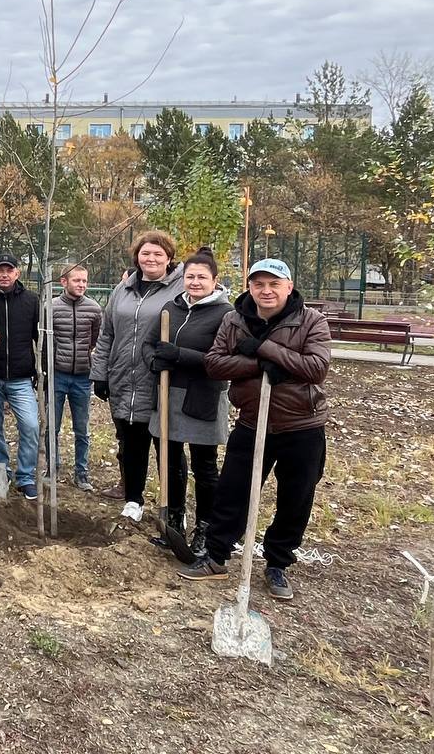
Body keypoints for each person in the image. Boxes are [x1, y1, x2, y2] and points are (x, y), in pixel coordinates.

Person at [179, 259, 331, 601]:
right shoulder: (235, 321)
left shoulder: (311, 321)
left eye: (274, 284)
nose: (266, 290)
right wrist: (258, 364)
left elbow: (316, 368)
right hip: (251, 420)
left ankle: (277, 562)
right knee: (233, 492)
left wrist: (265, 349)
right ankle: (216, 557)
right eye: (259, 283)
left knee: (296, 498)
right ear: (249, 287)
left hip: (301, 425)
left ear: (288, 287)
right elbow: (215, 363)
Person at [141, 248, 233, 555]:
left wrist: (180, 356)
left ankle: (205, 528)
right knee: (169, 461)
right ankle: (174, 523)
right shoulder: (171, 308)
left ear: (214, 280)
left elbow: (224, 361)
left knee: (204, 466)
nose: (195, 282)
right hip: (168, 395)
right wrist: (154, 361)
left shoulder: (225, 314)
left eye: (202, 277)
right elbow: (150, 344)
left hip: (202, 398)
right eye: (190, 276)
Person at [90, 231, 184, 523]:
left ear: (169, 258)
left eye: (158, 254)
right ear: (137, 257)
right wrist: (100, 373)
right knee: (131, 444)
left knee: (168, 447)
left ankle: (174, 509)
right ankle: (133, 499)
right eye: (146, 253)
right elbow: (107, 333)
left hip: (160, 381)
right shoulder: (124, 289)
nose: (151, 259)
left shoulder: (180, 289)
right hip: (123, 379)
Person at [0, 254, 42, 500]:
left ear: (17, 273)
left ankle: (26, 476)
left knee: (30, 425)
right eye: (1, 270)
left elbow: (38, 337)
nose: (5, 274)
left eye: (10, 270)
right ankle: (0, 472)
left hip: (20, 377)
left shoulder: (31, 301)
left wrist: (40, 369)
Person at [47, 263, 103, 492]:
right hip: (58, 375)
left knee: (82, 428)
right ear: (64, 282)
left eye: (84, 281)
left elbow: (95, 340)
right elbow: (46, 344)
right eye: (77, 280)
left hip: (82, 376)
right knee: (53, 426)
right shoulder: (51, 308)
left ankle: (82, 472)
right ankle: (52, 467)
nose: (81, 285)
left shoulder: (94, 309)